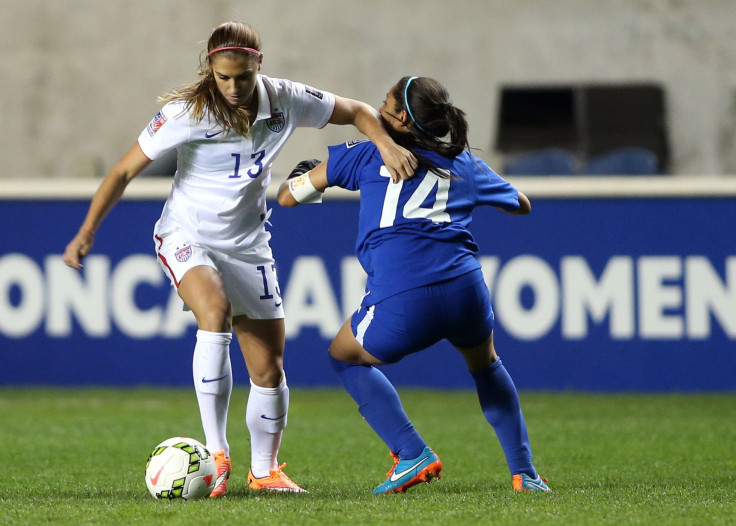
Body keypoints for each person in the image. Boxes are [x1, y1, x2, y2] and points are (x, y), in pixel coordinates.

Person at [63, 21, 417, 496]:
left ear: (258, 66)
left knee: (269, 368)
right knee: (215, 312)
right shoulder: (186, 112)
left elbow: (357, 111)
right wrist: (86, 232)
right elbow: (124, 170)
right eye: (223, 77)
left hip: (248, 243)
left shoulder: (287, 99)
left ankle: (265, 471)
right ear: (211, 68)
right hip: (187, 235)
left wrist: (387, 144)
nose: (232, 88)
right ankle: (216, 453)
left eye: (242, 78)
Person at [277, 76, 551, 494]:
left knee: (344, 356)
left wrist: (301, 176)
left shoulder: (365, 156)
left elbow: (288, 197)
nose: (378, 109)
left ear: (401, 118)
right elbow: (522, 205)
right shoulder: (465, 164)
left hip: (405, 298)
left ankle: (411, 453)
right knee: (487, 365)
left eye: (384, 104)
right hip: (465, 289)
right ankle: (525, 473)